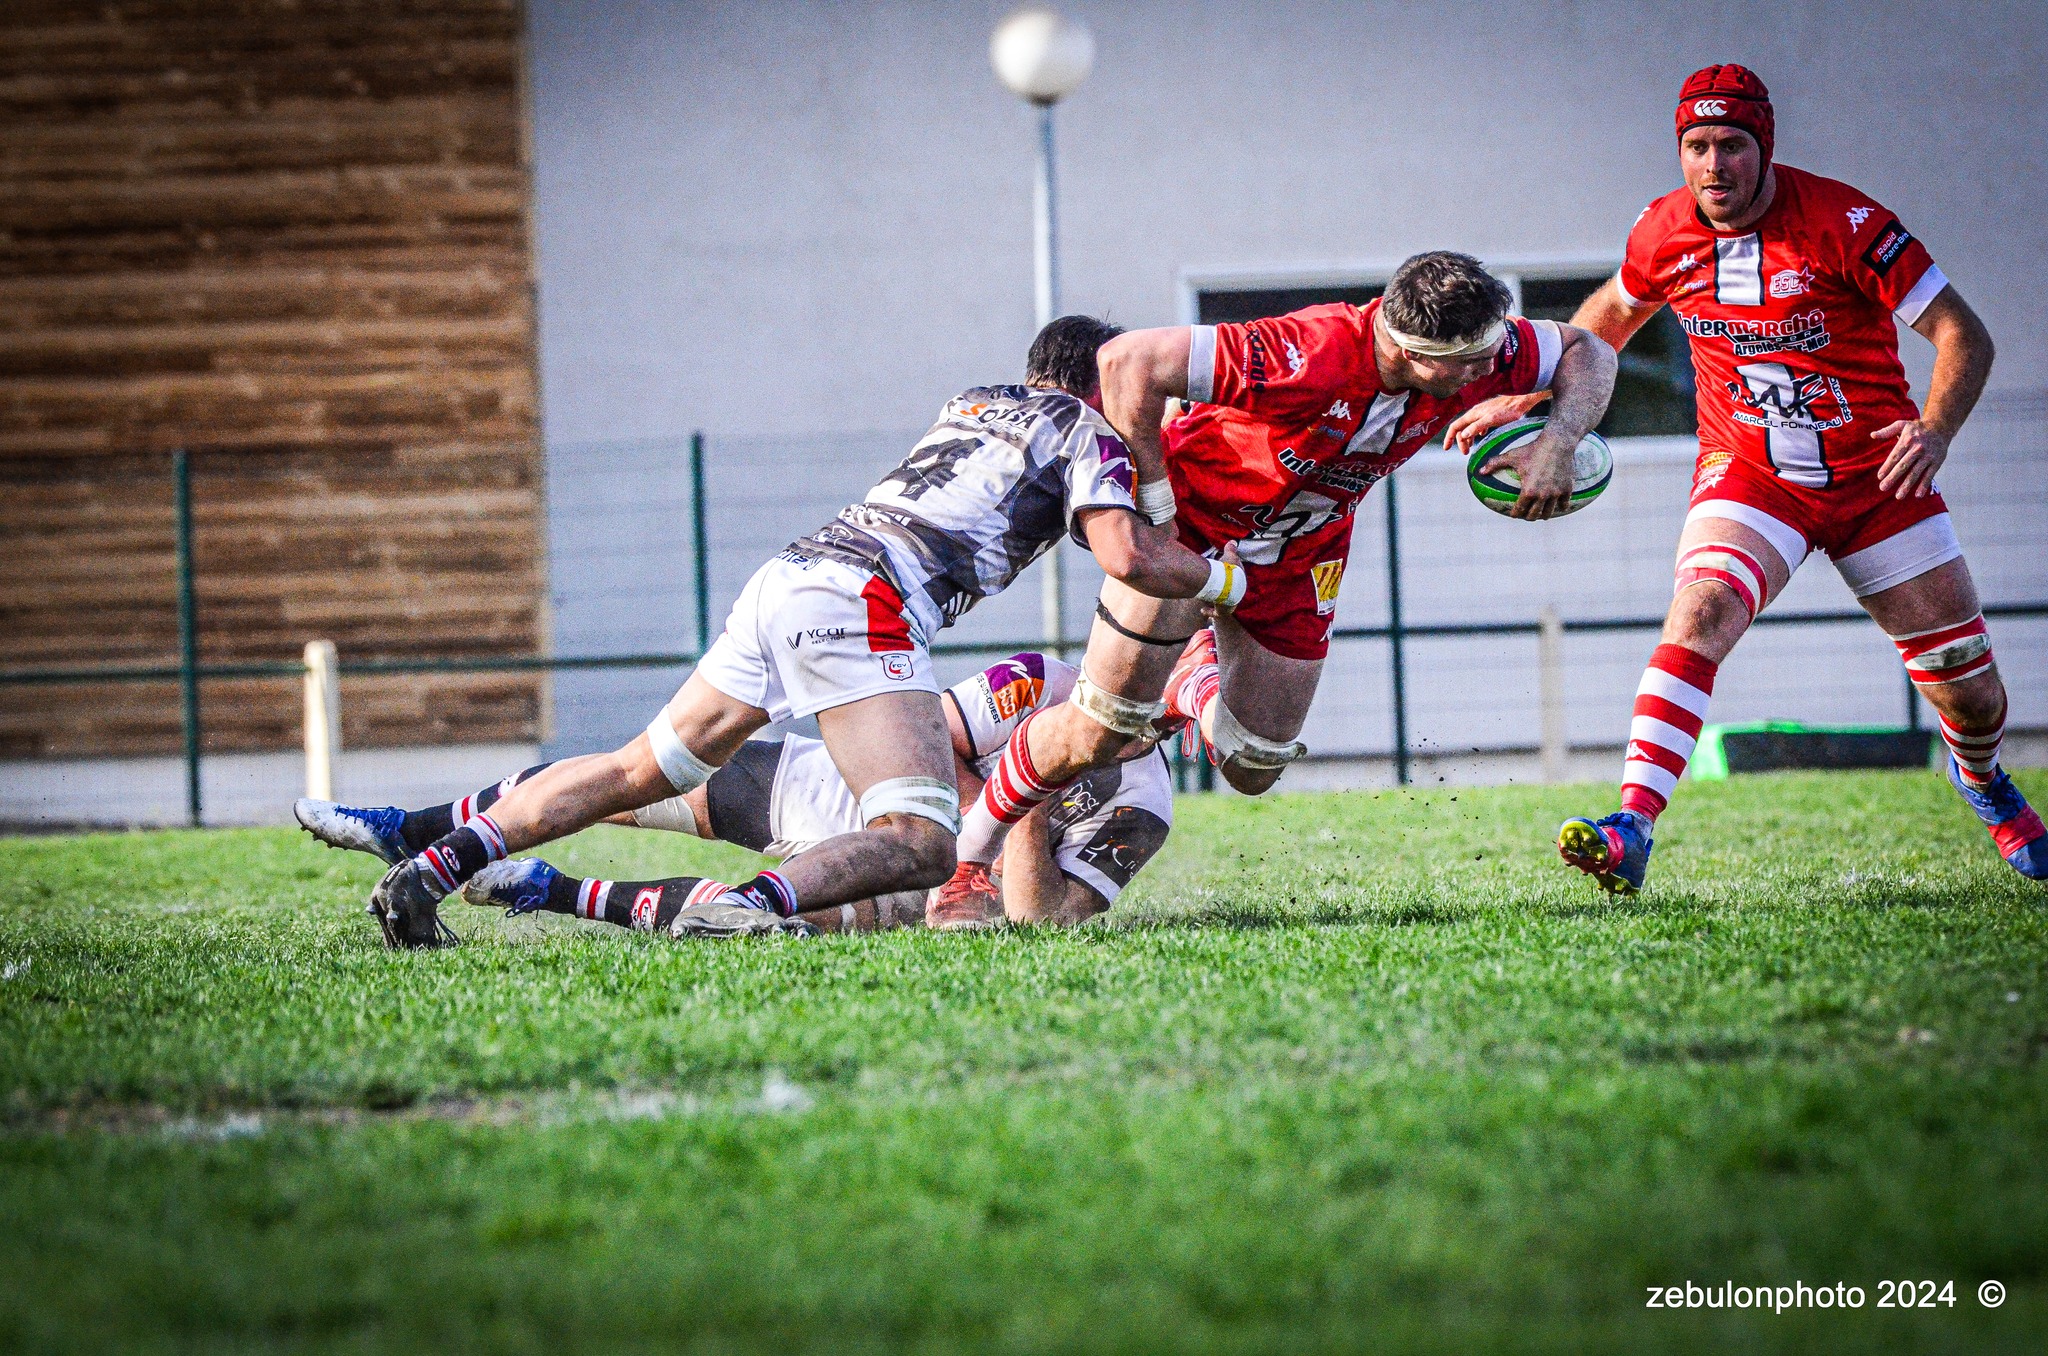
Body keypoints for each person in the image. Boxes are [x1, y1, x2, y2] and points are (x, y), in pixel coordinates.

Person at [357, 316, 1235, 946]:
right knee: (921, 841)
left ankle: (432, 869)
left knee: (634, 769)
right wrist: (1224, 580)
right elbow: (1126, 554)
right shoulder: (1090, 432)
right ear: (1104, 383)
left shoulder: (973, 401)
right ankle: (752, 906)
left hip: (792, 573)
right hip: (868, 599)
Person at [1460, 65, 2040, 890]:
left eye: (1731, 144)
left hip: (1878, 477)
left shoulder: (1849, 221)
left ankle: (1981, 781)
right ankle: (1631, 826)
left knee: (1971, 695)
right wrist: (1529, 391)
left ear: (1763, 146)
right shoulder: (1663, 231)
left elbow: (1963, 334)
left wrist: (1936, 429)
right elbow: (1607, 325)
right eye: (1696, 146)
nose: (1713, 165)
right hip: (1751, 472)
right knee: (1699, 612)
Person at [928, 250, 1616, 913]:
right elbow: (1125, 360)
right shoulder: (1306, 352)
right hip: (1192, 531)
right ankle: (967, 862)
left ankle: (1187, 681)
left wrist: (1557, 437)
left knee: (1253, 765)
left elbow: (1590, 350)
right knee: (1103, 731)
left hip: (1299, 557)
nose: (1491, 367)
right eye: (1470, 361)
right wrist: (1157, 495)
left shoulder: (1475, 349)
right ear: (1412, 353)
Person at [296, 651, 1173, 936]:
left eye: (1151, 702)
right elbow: (931, 737)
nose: (1128, 692)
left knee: (746, 924)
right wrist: (1017, 761)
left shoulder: (1143, 808)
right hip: (828, 783)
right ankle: (403, 831)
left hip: (912, 877)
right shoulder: (1046, 679)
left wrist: (1027, 786)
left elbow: (1040, 916)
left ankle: (546, 891)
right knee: (616, 781)